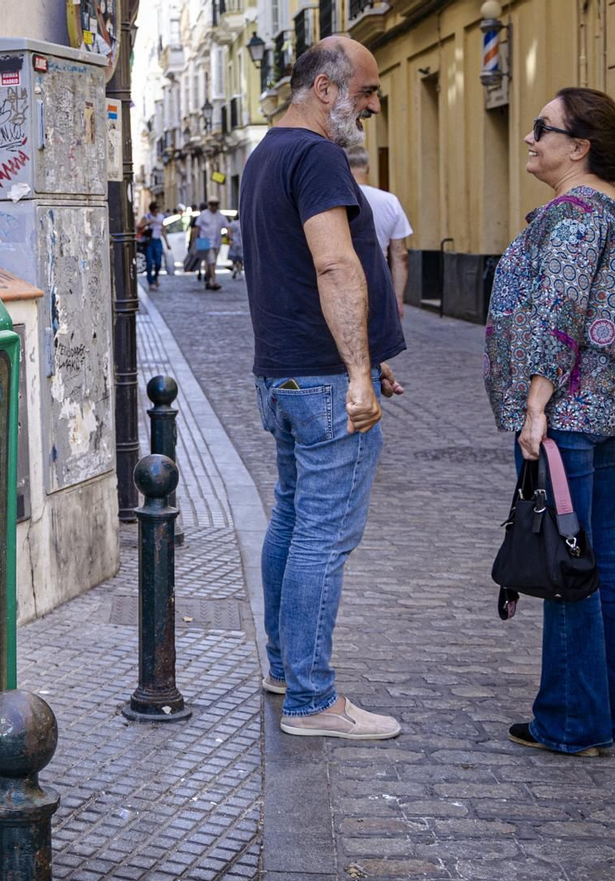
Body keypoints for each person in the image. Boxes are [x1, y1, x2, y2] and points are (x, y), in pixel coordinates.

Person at [239, 36, 406, 740]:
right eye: (365, 92)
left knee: (291, 523)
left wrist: (372, 352)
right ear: (327, 90)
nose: (372, 104)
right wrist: (359, 373)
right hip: (323, 380)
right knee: (323, 538)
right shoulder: (315, 155)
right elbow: (336, 268)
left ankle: (284, 668)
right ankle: (313, 700)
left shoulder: (264, 155)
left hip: (282, 374)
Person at [484, 87, 615, 757]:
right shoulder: (611, 209)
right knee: (596, 558)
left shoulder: (577, 213)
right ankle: (602, 712)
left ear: (578, 147)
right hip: (600, 406)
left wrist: (535, 405)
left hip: (571, 408)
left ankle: (571, 721)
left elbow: (560, 312)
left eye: (540, 128)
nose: (530, 139)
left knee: (569, 566)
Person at [346, 146, 412, 317]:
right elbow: (400, 255)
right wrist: (398, 299)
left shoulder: (337, 200)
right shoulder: (390, 202)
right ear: (368, 168)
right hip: (378, 279)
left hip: (344, 279)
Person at [191, 199, 229, 289]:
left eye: (215, 204)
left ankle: (208, 280)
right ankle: (214, 282)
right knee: (211, 262)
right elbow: (197, 228)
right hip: (205, 242)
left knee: (211, 262)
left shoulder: (220, 216)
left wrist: (229, 237)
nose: (213, 206)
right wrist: (194, 241)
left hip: (217, 242)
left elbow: (227, 227)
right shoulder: (203, 214)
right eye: (212, 204)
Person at [138, 201, 165, 287]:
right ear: (153, 209)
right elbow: (138, 227)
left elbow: (163, 230)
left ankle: (155, 276)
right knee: (149, 262)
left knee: (158, 262)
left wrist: (167, 242)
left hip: (157, 241)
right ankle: (150, 282)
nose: (158, 210)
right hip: (149, 241)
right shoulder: (147, 217)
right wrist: (148, 222)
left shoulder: (161, 217)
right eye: (156, 208)